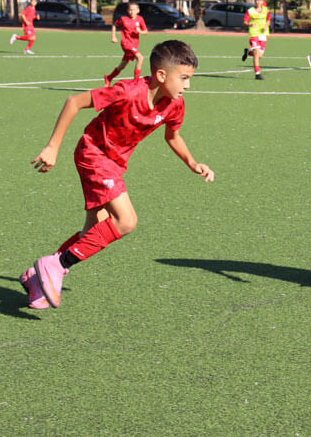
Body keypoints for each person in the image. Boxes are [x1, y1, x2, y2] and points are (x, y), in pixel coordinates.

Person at [20, 40, 214, 310]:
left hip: (115, 163)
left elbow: (173, 136)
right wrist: (52, 147)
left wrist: (193, 163)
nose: (188, 85)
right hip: (93, 154)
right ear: (161, 75)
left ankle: (36, 278)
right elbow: (74, 102)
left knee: (93, 231)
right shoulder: (127, 91)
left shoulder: (174, 104)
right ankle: (56, 265)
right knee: (126, 221)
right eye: (183, 78)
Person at [104, 2, 148, 87]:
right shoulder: (124, 19)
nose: (132, 12)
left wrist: (140, 31)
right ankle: (136, 82)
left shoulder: (140, 19)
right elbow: (114, 24)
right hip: (126, 44)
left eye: (134, 10)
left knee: (123, 65)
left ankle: (109, 77)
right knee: (140, 58)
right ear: (127, 11)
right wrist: (113, 36)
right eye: (130, 10)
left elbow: (145, 31)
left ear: (138, 11)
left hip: (134, 44)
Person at [241, 0, 270, 80]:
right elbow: (245, 22)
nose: (258, 2)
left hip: (263, 34)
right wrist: (250, 24)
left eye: (260, 0)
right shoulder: (250, 11)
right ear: (255, 1)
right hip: (254, 34)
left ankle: (247, 52)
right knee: (256, 53)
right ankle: (257, 74)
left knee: (259, 55)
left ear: (262, 1)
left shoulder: (266, 10)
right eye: (257, 0)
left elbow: (268, 20)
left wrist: (266, 26)